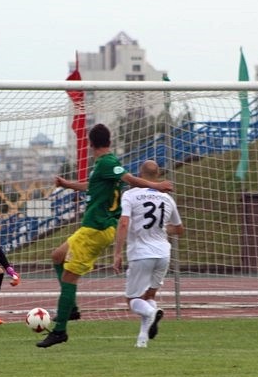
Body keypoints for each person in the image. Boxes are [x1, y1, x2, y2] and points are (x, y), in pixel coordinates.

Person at [36, 124, 174, 348]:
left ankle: (60, 330)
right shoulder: (103, 166)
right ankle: (70, 308)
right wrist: (67, 185)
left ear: (90, 143)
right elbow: (93, 186)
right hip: (91, 227)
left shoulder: (109, 162)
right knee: (57, 256)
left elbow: (130, 179)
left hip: (96, 229)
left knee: (70, 278)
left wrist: (156, 186)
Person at [113, 160, 184, 347]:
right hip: (163, 253)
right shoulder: (167, 198)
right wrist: (159, 229)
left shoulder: (130, 195)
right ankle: (142, 339)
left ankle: (152, 313)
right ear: (158, 175)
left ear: (139, 173)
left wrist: (117, 253)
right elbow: (178, 229)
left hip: (141, 253)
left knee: (132, 300)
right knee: (149, 297)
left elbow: (123, 223)